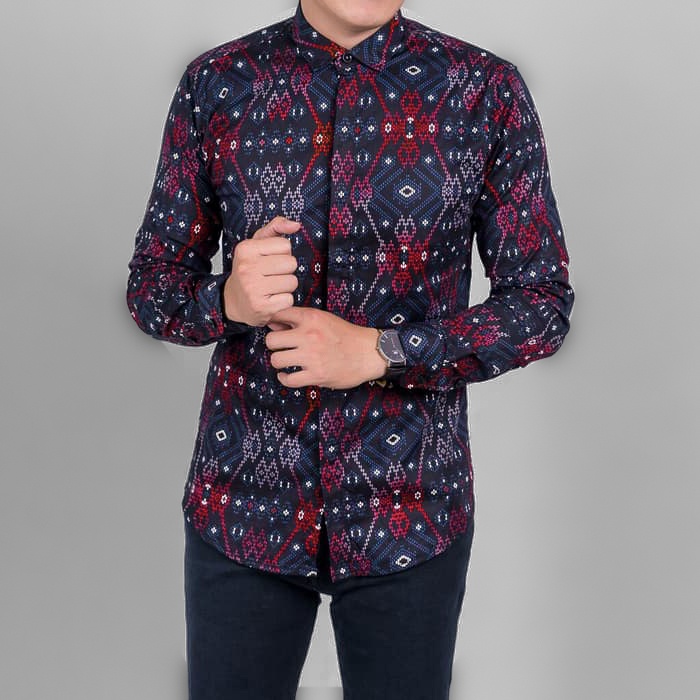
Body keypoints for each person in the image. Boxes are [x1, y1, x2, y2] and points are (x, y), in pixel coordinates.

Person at [125, 1, 574, 698]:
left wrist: (383, 350)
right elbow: (153, 288)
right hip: (243, 501)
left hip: (412, 507)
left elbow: (541, 304)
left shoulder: (484, 89)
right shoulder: (217, 82)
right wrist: (228, 301)